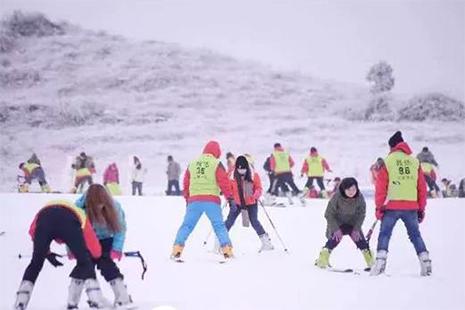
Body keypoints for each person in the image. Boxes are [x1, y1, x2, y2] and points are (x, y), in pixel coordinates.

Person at [13, 199, 104, 309]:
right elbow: (93, 246)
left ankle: (20, 302)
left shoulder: (42, 212)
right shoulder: (81, 214)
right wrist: (97, 256)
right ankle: (96, 301)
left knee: (35, 264)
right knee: (85, 262)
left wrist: (46, 253)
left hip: (45, 219)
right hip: (69, 220)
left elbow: (33, 231)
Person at [371, 131, 432, 276]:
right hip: (411, 207)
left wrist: (379, 207)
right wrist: (421, 209)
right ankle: (426, 262)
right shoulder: (414, 162)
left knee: (385, 234)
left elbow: (381, 187)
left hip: (391, 206)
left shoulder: (388, 161)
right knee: (415, 235)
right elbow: (422, 188)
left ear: (392, 146)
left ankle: (380, 263)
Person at [171, 141, 235, 261]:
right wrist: (230, 198)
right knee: (219, 226)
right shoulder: (216, 163)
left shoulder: (193, 163)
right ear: (217, 152)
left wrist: (187, 199)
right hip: (211, 201)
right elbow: (224, 182)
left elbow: (186, 183)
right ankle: (227, 252)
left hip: (194, 201)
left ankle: (176, 250)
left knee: (187, 226)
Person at [72, 184, 133, 308]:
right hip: (87, 241)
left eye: (102, 204)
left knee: (107, 265)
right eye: (97, 205)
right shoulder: (79, 208)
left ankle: (123, 297)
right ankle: (73, 300)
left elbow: (120, 229)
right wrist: (72, 249)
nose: (100, 207)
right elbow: (71, 232)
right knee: (84, 267)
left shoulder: (114, 207)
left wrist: (116, 248)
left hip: (106, 239)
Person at [315, 177, 374, 269]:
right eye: (348, 189)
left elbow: (361, 214)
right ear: (343, 189)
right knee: (335, 239)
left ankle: (371, 262)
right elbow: (328, 214)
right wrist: (335, 229)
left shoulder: (360, 197)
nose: (352, 192)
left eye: (354, 189)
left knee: (360, 240)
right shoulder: (337, 197)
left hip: (352, 224)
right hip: (338, 223)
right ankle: (322, 259)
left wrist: (356, 229)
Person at [224, 155, 273, 251]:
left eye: (243, 170)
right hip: (237, 203)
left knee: (254, 221)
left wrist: (256, 195)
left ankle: (266, 242)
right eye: (239, 169)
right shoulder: (231, 175)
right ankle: (220, 242)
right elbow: (228, 189)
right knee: (229, 221)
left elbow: (258, 188)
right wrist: (230, 199)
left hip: (251, 203)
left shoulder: (254, 175)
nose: (241, 171)